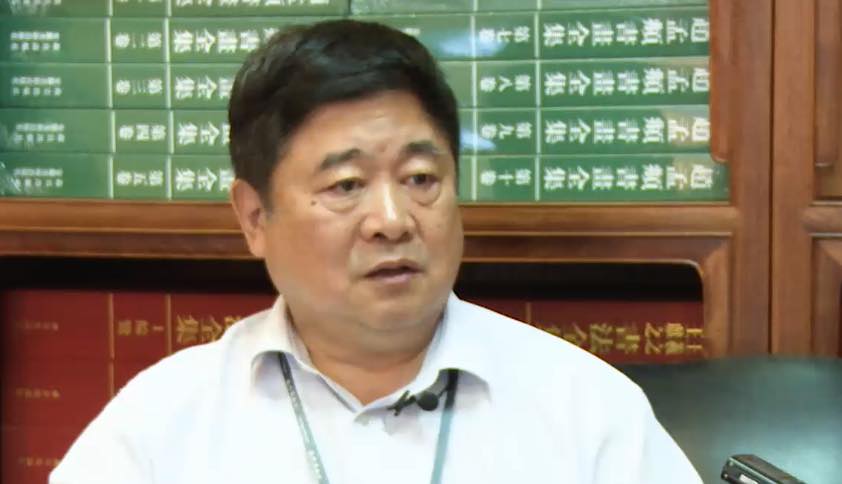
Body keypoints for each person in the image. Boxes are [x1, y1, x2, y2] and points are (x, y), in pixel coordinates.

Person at [50, 19, 702, 484]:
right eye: (346, 186)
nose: (392, 221)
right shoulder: (164, 422)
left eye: (421, 178)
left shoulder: (585, 408)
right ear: (254, 217)